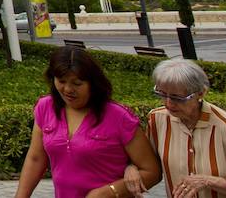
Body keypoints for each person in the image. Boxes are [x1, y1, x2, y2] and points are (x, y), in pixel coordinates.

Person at [16, 46, 161, 198]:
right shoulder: (45, 107)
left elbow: (152, 172)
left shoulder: (119, 116)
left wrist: (109, 191)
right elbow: (36, 158)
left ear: (93, 83)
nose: (67, 89)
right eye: (61, 81)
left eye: (77, 83)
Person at [124, 57, 226, 198]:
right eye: (162, 94)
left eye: (177, 98)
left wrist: (210, 181)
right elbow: (146, 161)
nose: (168, 104)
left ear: (200, 93)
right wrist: (131, 168)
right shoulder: (157, 119)